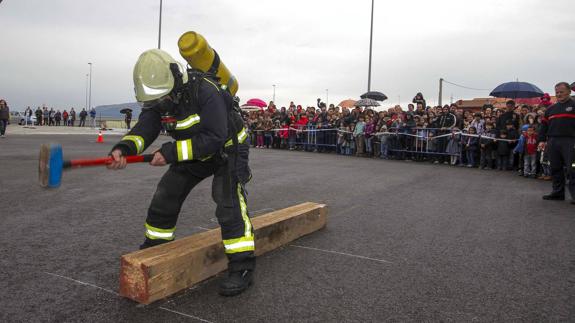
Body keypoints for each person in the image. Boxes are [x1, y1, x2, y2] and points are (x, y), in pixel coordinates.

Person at [107, 48, 255, 295]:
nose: (158, 105)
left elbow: (215, 138)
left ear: (175, 81)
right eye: (153, 101)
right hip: (194, 152)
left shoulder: (206, 91)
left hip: (228, 150)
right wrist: (123, 148)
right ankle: (156, 247)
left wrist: (170, 153)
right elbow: (146, 127)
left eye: (161, 99)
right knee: (167, 193)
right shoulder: (160, 97)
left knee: (228, 203)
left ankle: (242, 266)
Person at [538, 82, 575, 204]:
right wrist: (542, 140)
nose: (559, 94)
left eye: (561, 92)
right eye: (557, 92)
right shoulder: (550, 109)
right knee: (555, 168)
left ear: (569, 91)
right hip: (553, 141)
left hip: (571, 141)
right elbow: (543, 126)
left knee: (572, 169)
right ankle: (558, 193)